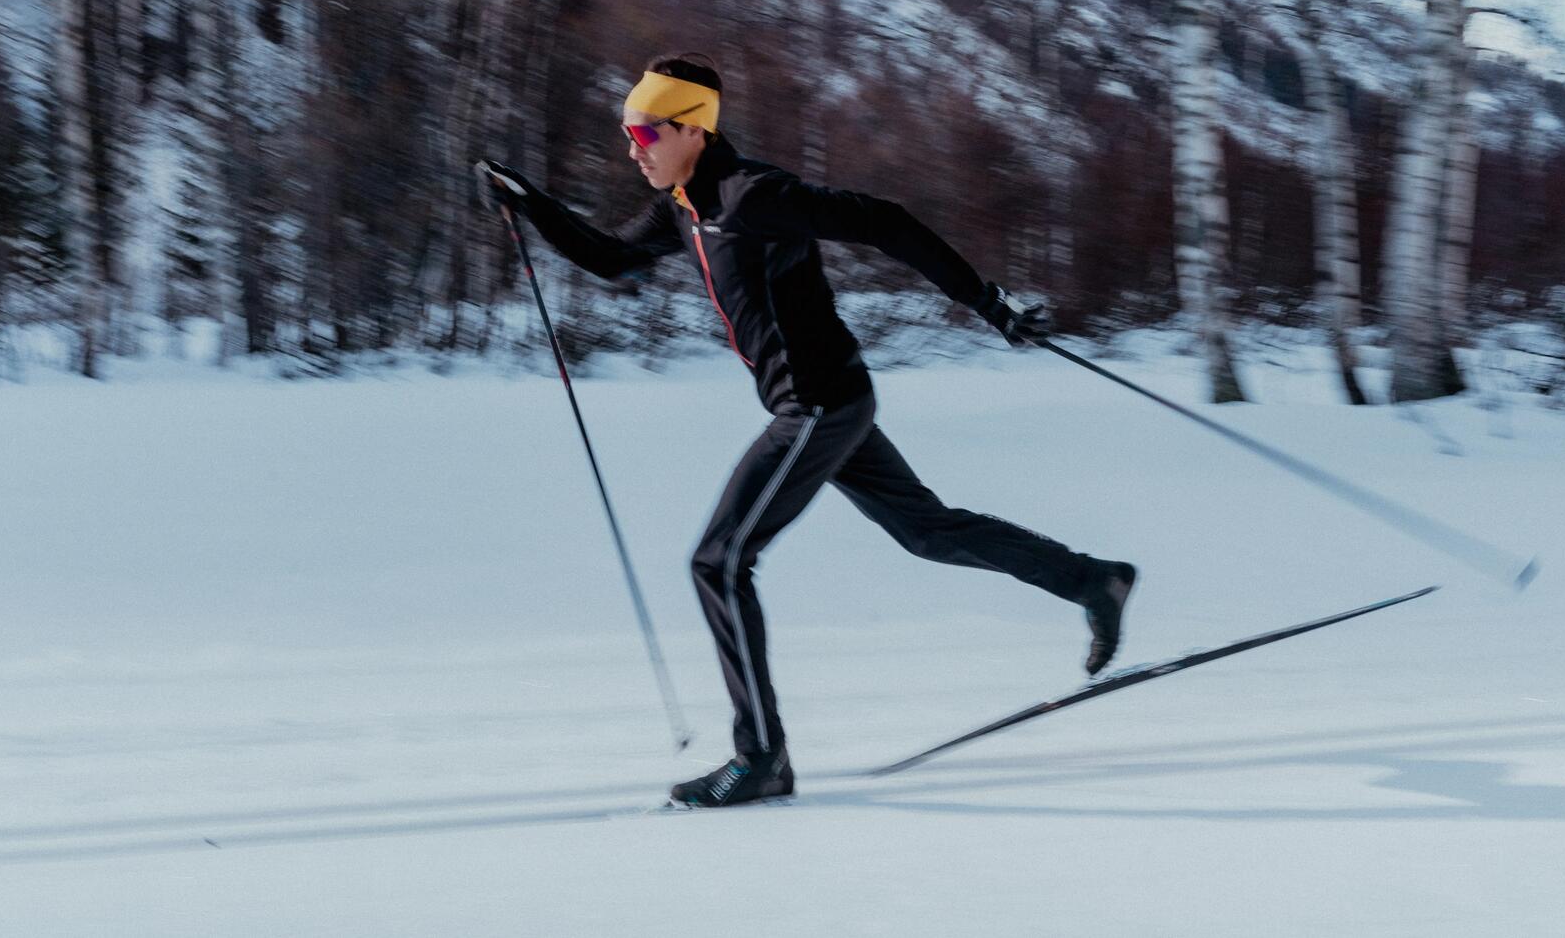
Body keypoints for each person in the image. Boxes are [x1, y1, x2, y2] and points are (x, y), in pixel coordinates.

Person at [477, 52, 1137, 808]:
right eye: (629, 132)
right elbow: (615, 261)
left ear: (691, 129)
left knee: (719, 563)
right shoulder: (686, 203)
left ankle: (761, 759)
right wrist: (525, 199)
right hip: (831, 401)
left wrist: (990, 303)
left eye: (645, 132)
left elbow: (885, 222)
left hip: (818, 404)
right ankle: (1092, 580)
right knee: (926, 531)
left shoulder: (753, 195)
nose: (633, 148)